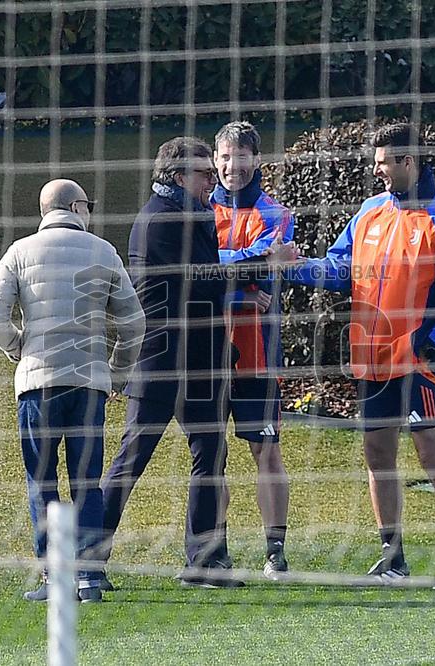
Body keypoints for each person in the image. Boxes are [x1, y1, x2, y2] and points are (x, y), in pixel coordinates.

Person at [285, 123, 435, 586]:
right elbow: (340, 268)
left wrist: (430, 342)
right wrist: (295, 267)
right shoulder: (370, 213)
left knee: (430, 450)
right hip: (371, 358)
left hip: (420, 363)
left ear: (408, 162)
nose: (376, 170)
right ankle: (392, 556)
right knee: (377, 451)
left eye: (383, 162)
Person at [99, 136, 298, 588]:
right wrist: (265, 261)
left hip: (204, 361)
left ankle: (203, 563)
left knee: (211, 457)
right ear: (177, 176)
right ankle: (87, 561)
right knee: (132, 459)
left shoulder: (192, 213)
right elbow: (203, 277)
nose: (214, 179)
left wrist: (247, 282)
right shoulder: (161, 219)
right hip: (163, 360)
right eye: (204, 172)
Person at [0, 179, 145, 603]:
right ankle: (90, 576)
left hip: (38, 384)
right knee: (87, 482)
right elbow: (134, 322)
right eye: (87, 205)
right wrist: (118, 373)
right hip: (89, 384)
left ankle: (56, 578)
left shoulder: (19, 252)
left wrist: (19, 347)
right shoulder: (103, 251)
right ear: (75, 206)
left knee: (42, 482)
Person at [211, 121, 293, 579]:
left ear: (255, 161)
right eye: (224, 157)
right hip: (206, 351)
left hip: (258, 354)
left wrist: (220, 268)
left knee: (266, 450)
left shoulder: (275, 213)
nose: (231, 167)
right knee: (211, 453)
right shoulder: (201, 211)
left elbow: (272, 254)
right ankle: (216, 549)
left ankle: (275, 552)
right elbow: (193, 266)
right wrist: (242, 290)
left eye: (240, 157)